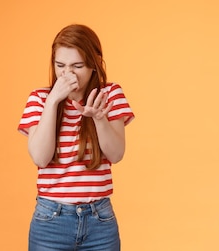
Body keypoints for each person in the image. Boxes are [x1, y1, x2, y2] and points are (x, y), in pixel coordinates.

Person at [17, 24, 135, 251]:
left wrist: (99, 119)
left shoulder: (110, 95)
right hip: (50, 220)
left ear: (94, 64)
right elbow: (41, 158)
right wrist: (52, 102)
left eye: (77, 65)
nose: (67, 73)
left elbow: (116, 154)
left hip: (99, 220)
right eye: (60, 65)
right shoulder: (39, 99)